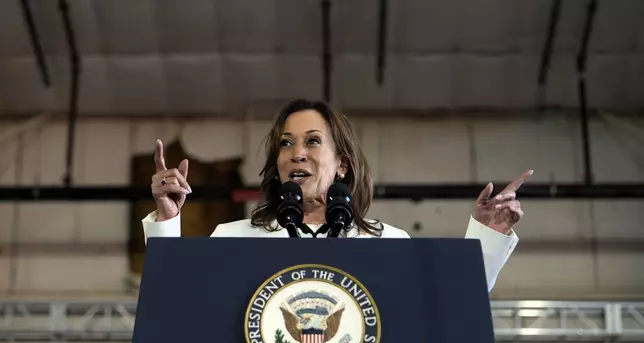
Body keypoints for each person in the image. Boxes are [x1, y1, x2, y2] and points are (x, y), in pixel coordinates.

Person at [142, 99, 533, 292]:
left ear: (342, 164)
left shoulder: (387, 243)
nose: (297, 153)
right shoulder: (231, 238)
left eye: (313, 142)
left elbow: (447, 307)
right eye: (286, 144)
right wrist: (167, 220)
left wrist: (488, 235)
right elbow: (175, 302)